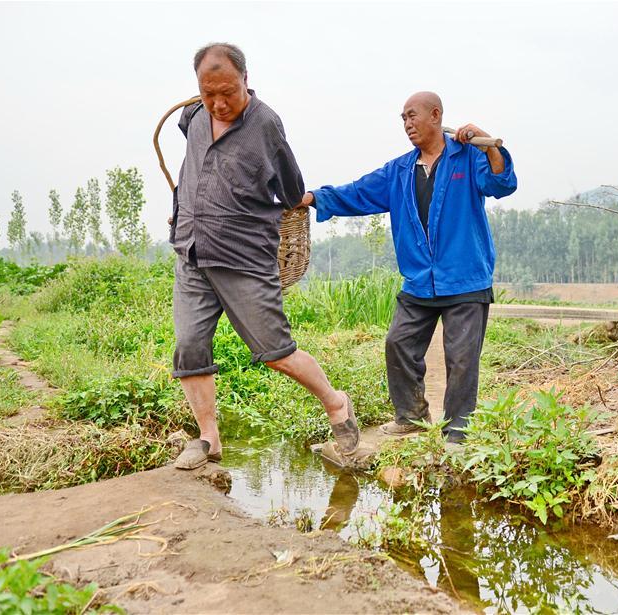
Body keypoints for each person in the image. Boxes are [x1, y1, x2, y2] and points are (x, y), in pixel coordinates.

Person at [169, 42, 359, 469]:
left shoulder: (266, 124)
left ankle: (335, 402)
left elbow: (291, 189)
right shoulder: (194, 117)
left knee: (276, 352)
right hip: (192, 249)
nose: (219, 104)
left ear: (246, 80)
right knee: (189, 346)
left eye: (228, 92)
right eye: (208, 93)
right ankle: (208, 438)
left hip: (244, 258)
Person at [298, 92, 517, 443]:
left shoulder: (468, 156)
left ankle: (457, 431)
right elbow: (357, 193)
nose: (407, 124)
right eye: (403, 118)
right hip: (419, 280)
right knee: (398, 343)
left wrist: (488, 144)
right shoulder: (399, 171)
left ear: (436, 115)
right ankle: (412, 416)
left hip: (464, 279)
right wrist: (313, 198)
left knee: (461, 359)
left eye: (413, 116)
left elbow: (501, 184)